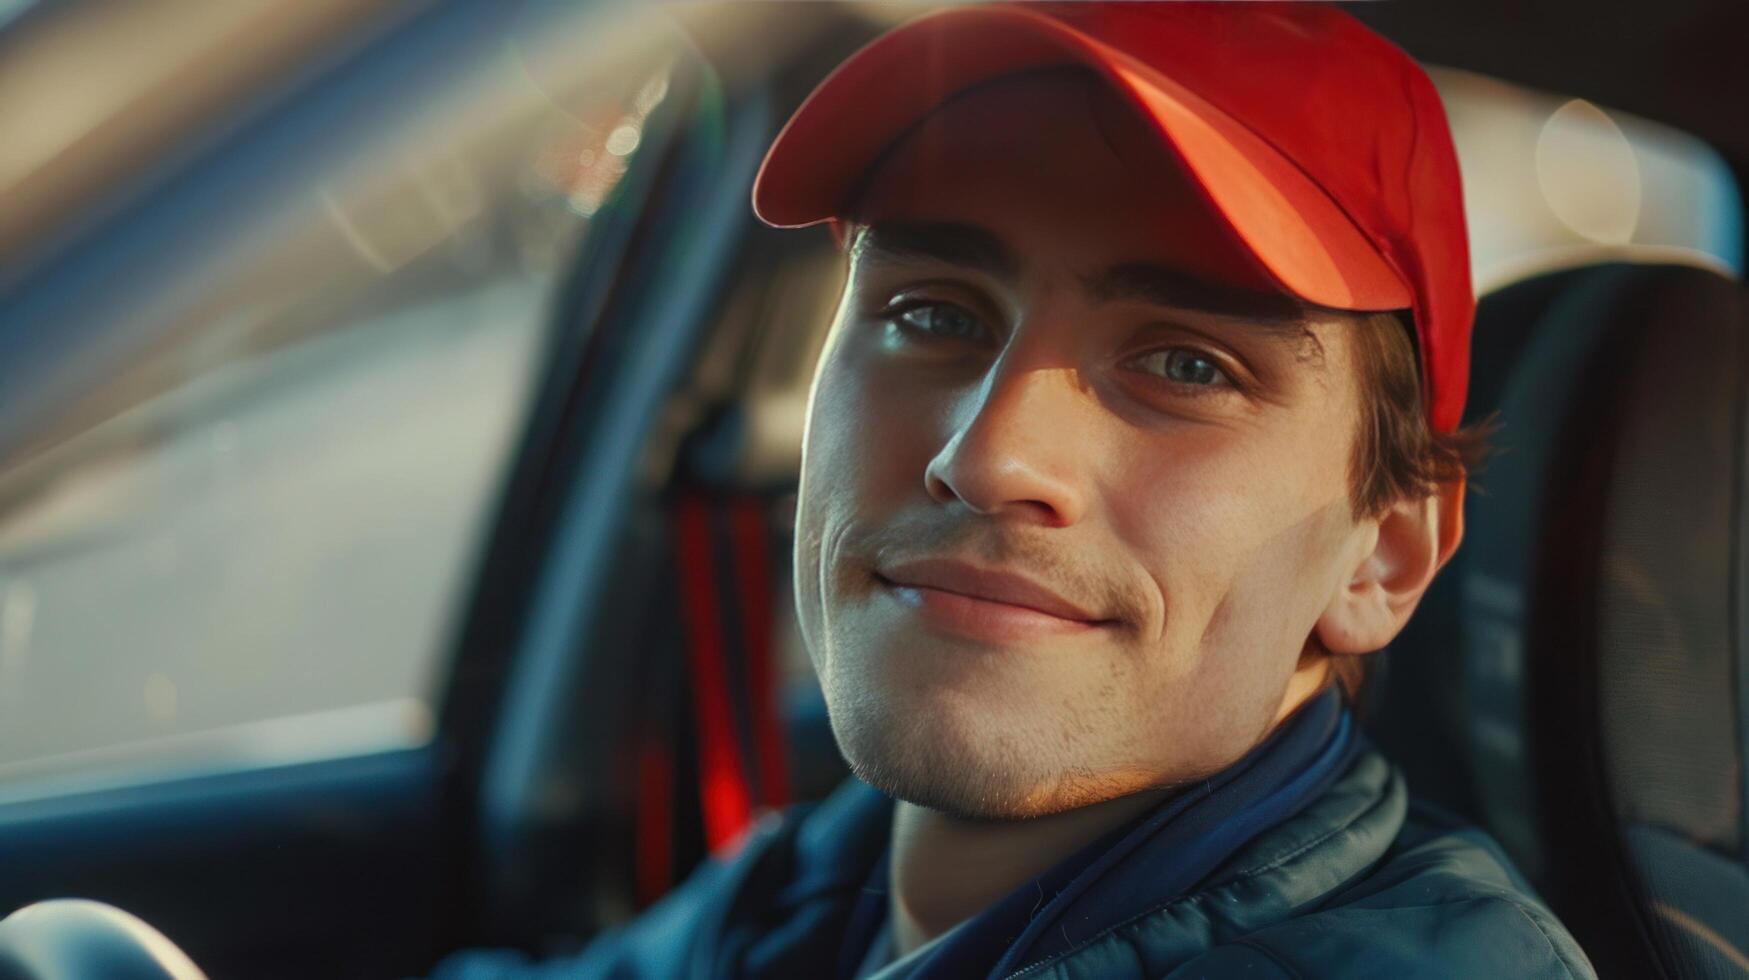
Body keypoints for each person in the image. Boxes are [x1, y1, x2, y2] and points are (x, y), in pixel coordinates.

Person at [436, 4, 1595, 977]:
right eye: (931, 313)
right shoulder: (837, 871)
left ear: (1381, 556)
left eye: (1189, 365)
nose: (989, 457)